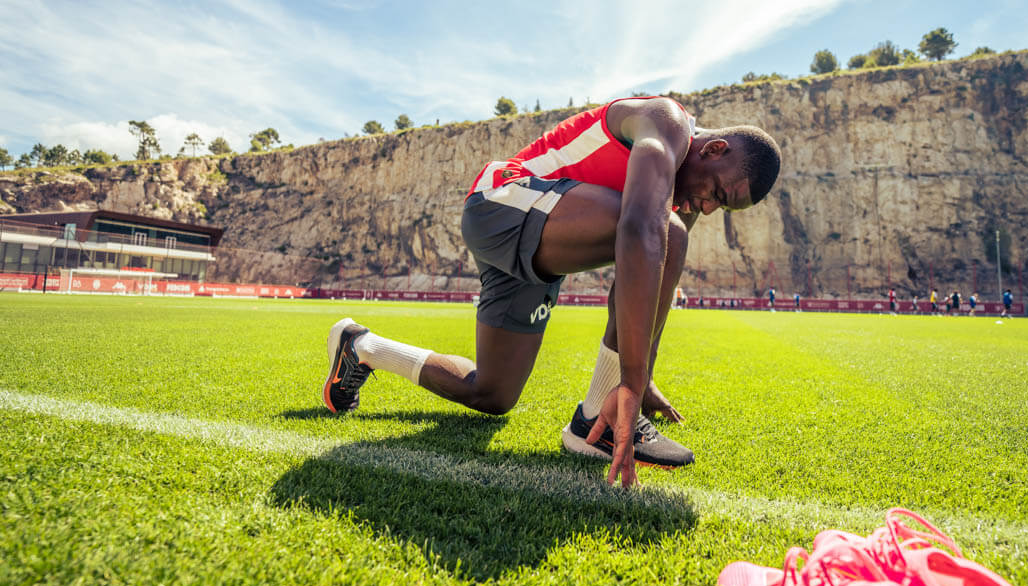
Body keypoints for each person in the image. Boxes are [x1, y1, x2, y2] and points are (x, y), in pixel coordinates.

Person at [321, 96, 781, 488]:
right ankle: (593, 423)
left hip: (533, 233)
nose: (708, 206)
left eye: (721, 207)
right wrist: (630, 383)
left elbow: (653, 275)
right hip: (503, 201)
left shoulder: (686, 193)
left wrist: (645, 380)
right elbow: (643, 231)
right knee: (668, 232)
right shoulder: (667, 122)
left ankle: (362, 347)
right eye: (717, 192)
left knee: (492, 394)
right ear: (713, 149)